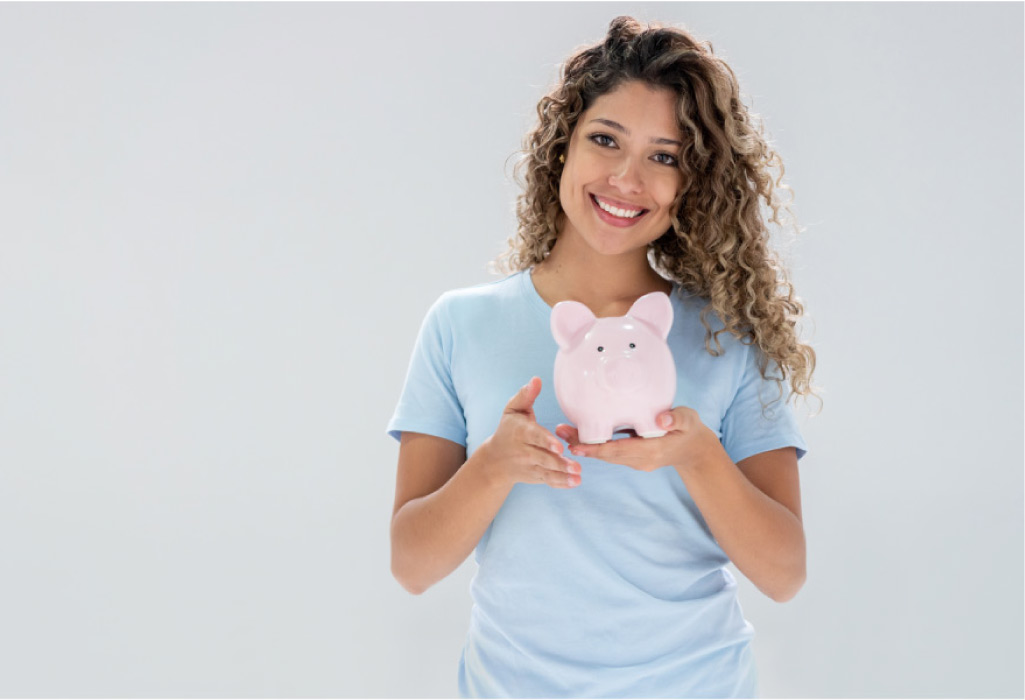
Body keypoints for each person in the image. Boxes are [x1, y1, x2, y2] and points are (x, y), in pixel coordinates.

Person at [386, 15, 819, 699]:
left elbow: (783, 573)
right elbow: (410, 564)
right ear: (563, 146)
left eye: (665, 155)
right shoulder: (461, 325)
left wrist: (696, 453)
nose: (625, 178)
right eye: (604, 139)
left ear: (694, 183)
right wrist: (493, 467)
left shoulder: (725, 336)